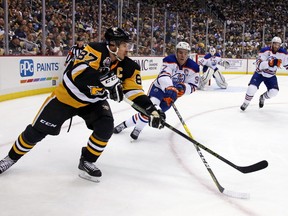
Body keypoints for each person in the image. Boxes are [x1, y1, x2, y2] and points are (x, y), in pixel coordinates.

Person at [0, 27, 165, 182]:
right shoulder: (95, 49)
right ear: (112, 45)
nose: (127, 49)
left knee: (106, 127)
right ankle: (10, 158)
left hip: (93, 102)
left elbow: (134, 92)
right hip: (66, 98)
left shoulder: (130, 67)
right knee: (36, 133)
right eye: (123, 45)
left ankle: (87, 160)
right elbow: (77, 73)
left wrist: (151, 110)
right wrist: (105, 79)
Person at [114, 41, 200, 140]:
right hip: (158, 88)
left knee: (155, 115)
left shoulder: (194, 67)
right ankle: (137, 129)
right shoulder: (169, 60)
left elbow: (193, 85)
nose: (183, 55)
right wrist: (169, 87)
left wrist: (183, 88)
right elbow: (163, 76)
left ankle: (124, 124)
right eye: (180, 52)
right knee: (151, 111)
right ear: (176, 52)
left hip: (173, 94)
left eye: (185, 53)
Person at [240, 36, 288, 111]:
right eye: (275, 44)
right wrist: (270, 63)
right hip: (260, 73)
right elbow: (258, 64)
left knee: (274, 92)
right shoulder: (265, 50)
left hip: (271, 75)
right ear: (272, 44)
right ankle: (246, 102)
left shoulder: (283, 53)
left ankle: (263, 97)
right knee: (252, 88)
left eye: (278, 45)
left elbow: (286, 65)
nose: (276, 46)